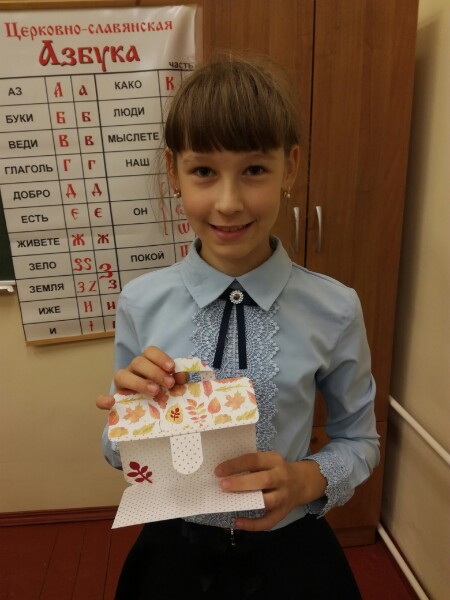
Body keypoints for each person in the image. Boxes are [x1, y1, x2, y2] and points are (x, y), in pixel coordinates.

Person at [97, 57, 379, 599]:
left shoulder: (335, 308)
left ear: (289, 168)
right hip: (173, 554)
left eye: (253, 170)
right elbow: (116, 452)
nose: (228, 203)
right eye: (204, 171)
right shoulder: (140, 302)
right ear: (173, 171)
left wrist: (306, 479)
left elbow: (359, 439)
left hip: (292, 555)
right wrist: (129, 416)